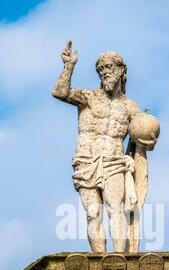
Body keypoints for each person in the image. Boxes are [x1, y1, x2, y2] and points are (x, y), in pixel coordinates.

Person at [52, 41, 145, 252]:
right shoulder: (88, 97)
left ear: (121, 70)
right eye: (101, 69)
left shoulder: (131, 107)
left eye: (109, 67)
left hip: (114, 160)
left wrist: (148, 135)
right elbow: (59, 92)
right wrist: (69, 67)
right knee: (93, 212)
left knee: (116, 208)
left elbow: (144, 135)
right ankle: (99, 258)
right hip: (86, 159)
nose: (104, 72)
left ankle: (120, 259)